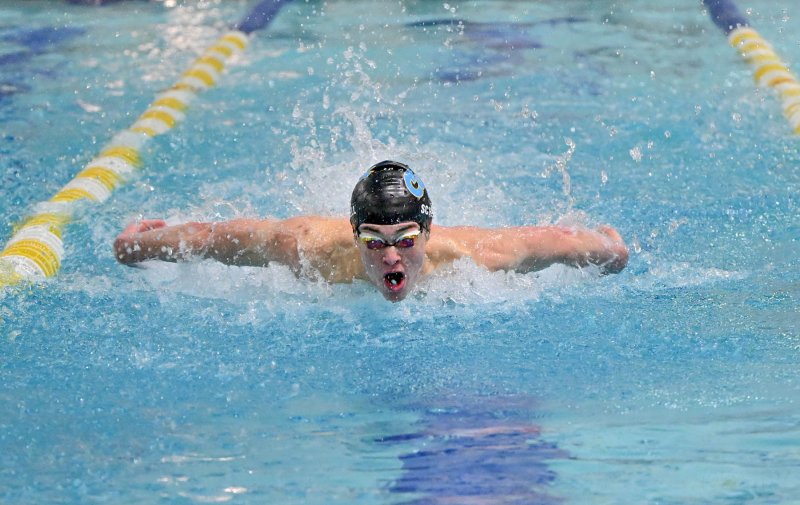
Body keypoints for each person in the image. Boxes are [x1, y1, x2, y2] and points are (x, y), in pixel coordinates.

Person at [114, 160, 628, 302]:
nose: (390, 257)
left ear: (428, 233)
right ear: (353, 233)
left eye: (406, 240)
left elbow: (555, 242)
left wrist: (611, 252)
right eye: (373, 242)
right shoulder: (306, 248)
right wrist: (137, 244)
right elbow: (210, 238)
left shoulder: (474, 257)